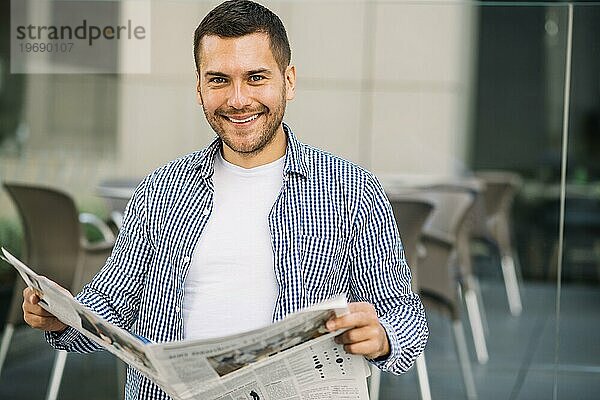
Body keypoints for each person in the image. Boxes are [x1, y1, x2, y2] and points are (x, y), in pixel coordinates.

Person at [22, 1, 428, 399]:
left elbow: (408, 319)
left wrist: (383, 337)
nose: (237, 99)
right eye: (219, 80)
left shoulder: (351, 189)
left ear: (288, 81)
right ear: (199, 88)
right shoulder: (159, 190)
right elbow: (112, 305)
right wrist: (63, 319)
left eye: (256, 77)